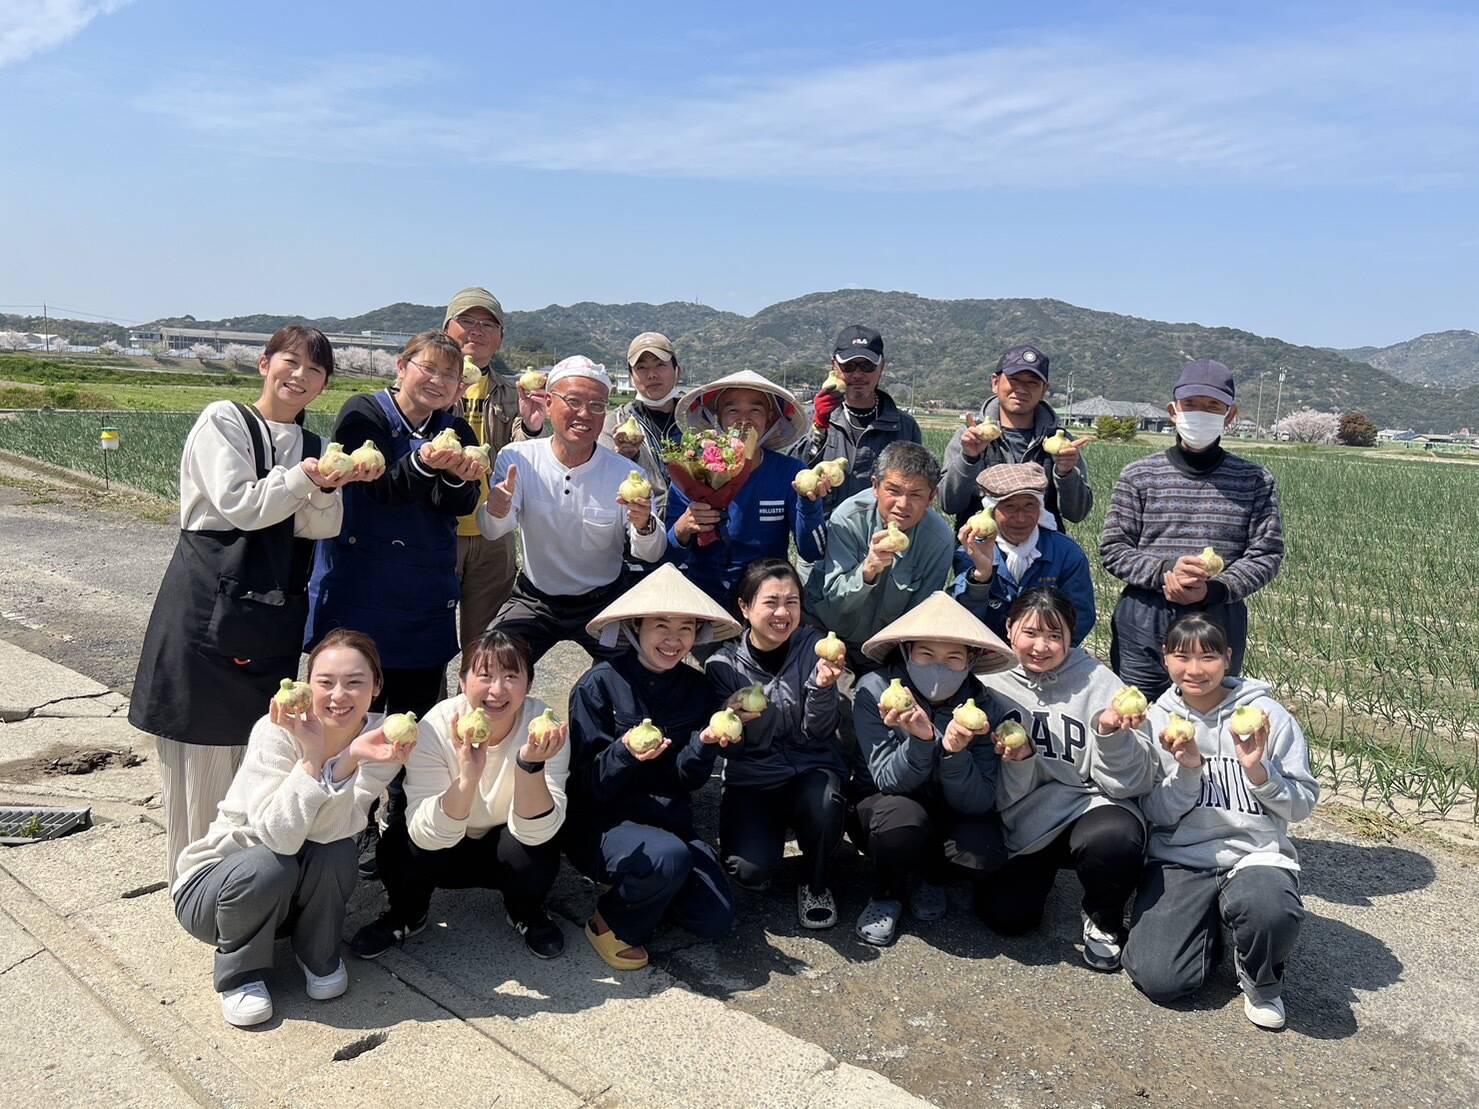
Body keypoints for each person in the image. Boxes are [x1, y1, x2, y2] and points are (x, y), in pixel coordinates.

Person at [131, 325, 362, 886]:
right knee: (199, 761)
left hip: (270, 612)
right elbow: (241, 507)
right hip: (207, 603)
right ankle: (192, 887)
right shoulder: (224, 420)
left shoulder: (312, 443)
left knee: (261, 750)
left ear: (324, 384)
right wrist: (308, 478)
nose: (299, 376)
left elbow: (320, 524)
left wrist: (328, 484)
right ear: (264, 363)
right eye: (290, 362)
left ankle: (247, 884)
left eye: (315, 370)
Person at [172, 630, 411, 1027]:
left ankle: (317, 953)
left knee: (337, 852)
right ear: (306, 683)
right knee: (271, 864)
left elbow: (338, 831)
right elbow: (277, 835)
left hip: (288, 894)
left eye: (355, 683)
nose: (339, 696)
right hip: (218, 889)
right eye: (326, 682)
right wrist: (316, 757)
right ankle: (241, 975)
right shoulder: (276, 729)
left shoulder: (383, 740)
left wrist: (350, 758)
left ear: (376, 688)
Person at [1121, 613, 1319, 1030]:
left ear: (1228, 658)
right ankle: (1208, 926)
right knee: (1160, 978)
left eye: (1208, 657)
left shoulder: (1268, 717)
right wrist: (1189, 770)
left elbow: (1301, 805)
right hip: (1180, 857)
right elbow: (1153, 811)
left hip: (1253, 855)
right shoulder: (1158, 720)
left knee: (1270, 907)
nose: (1195, 670)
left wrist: (1259, 773)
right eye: (1182, 656)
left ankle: (1260, 977)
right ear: (1165, 659)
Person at [350, 630, 571, 962]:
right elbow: (426, 834)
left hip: (507, 844)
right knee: (399, 847)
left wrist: (530, 765)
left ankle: (525, 911)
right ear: (463, 681)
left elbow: (537, 831)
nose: (497, 690)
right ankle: (406, 915)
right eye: (485, 676)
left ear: (528, 684)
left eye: (511, 676)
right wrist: (468, 776)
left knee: (539, 849)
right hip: (443, 845)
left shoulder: (545, 729)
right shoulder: (435, 727)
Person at [564, 565, 741, 971]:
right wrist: (623, 753)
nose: (673, 639)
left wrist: (703, 744)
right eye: (661, 625)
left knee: (714, 918)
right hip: (602, 827)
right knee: (669, 858)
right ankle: (610, 921)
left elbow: (687, 780)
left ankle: (652, 885)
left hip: (667, 825)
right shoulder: (598, 685)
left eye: (685, 628)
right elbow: (582, 786)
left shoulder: (697, 689)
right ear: (635, 627)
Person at [974, 589, 1157, 971]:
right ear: (1009, 629)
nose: (1042, 646)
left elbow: (1133, 784)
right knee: (1008, 919)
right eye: (1031, 633)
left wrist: (1110, 735)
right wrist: (1021, 761)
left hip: (1091, 804)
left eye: (1054, 636)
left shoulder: (1101, 684)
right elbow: (992, 790)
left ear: (1072, 638)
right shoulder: (988, 683)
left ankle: (1103, 915)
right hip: (1022, 816)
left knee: (1114, 839)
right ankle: (1039, 878)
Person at [304, 330, 483, 718]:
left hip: (424, 591)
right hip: (359, 583)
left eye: (449, 376)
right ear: (402, 367)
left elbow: (458, 503)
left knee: (412, 720)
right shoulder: (363, 413)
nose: (437, 381)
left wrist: (455, 474)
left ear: (458, 387)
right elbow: (379, 487)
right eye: (428, 368)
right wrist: (426, 463)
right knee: (343, 711)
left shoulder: (456, 430)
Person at [1099, 359, 1284, 701]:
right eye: (1192, 405)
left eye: (1213, 406)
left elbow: (1266, 554)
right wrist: (1165, 571)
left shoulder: (1255, 480)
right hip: (1146, 616)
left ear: (1230, 415)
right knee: (1138, 713)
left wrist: (1213, 590)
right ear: (1174, 410)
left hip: (1217, 616)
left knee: (1210, 720)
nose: (1201, 413)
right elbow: (1113, 547)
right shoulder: (1139, 475)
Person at [849, 591, 1016, 946]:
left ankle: (931, 874)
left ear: (971, 660)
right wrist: (922, 742)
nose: (938, 666)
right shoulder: (875, 691)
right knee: (901, 818)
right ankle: (886, 894)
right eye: (926, 654)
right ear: (907, 651)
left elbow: (980, 800)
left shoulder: (986, 710)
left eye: (953, 657)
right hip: (886, 807)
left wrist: (955, 754)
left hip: (949, 809)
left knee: (985, 851)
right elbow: (888, 779)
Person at [480, 355, 665, 663]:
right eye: (574, 401)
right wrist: (496, 508)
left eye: (596, 406)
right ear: (549, 403)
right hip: (535, 598)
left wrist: (645, 523)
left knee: (634, 680)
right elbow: (492, 529)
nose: (584, 413)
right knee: (488, 666)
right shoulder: (518, 459)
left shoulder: (626, 474)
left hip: (603, 601)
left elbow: (651, 552)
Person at [705, 559, 849, 929]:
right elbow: (730, 751)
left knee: (825, 805)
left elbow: (819, 734)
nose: (783, 613)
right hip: (754, 777)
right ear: (744, 607)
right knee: (749, 871)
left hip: (810, 766)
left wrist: (823, 688)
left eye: (792, 601)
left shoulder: (816, 648)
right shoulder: (722, 665)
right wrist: (733, 720)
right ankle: (770, 828)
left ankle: (815, 882)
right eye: (771, 602)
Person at [665, 369, 827, 608]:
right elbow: (668, 554)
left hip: (767, 607)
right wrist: (682, 528)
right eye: (732, 410)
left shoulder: (791, 473)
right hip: (705, 602)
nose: (744, 420)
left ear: (769, 419)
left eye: (755, 410)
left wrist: (809, 504)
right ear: (716, 417)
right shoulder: (692, 471)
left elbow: (813, 552)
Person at [444, 287, 548, 650]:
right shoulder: (428, 389)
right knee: (431, 637)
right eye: (467, 321)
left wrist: (533, 426)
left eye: (488, 324)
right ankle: (434, 708)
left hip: (493, 531)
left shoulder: (509, 392)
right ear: (447, 330)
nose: (477, 330)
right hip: (437, 529)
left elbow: (519, 452)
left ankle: (479, 707)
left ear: (500, 338)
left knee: (485, 641)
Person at [801, 441, 955, 672]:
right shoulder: (849, 518)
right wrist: (867, 571)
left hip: (883, 650)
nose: (903, 505)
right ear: (875, 486)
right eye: (893, 491)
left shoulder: (939, 541)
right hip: (826, 631)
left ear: (931, 497)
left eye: (916, 495)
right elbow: (833, 601)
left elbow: (918, 616)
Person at [939, 344, 1091, 532]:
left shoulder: (1063, 444)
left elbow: (1077, 514)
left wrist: (1066, 473)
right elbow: (949, 504)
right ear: (995, 382)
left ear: (1044, 389)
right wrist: (969, 459)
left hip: (1045, 552)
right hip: (980, 548)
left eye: (1032, 383)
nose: (1021, 389)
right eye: (1014, 380)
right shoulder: (970, 436)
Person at [953, 463, 1096, 646]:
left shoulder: (1067, 554)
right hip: (985, 656)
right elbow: (962, 616)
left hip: (1046, 655)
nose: (1021, 517)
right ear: (992, 510)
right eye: (1010, 507)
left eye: (1029, 505)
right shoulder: (971, 552)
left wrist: (1045, 651)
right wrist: (981, 575)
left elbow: (1080, 616)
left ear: (1040, 508)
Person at [793, 325, 922, 514]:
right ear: (833, 366)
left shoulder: (905, 426)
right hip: (824, 532)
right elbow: (795, 474)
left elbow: (917, 485)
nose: (858, 374)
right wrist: (819, 426)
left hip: (881, 535)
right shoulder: (812, 417)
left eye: (867, 366)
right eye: (849, 366)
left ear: (881, 367)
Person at [600, 331, 685, 518]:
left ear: (678, 370)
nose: (652, 375)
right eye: (641, 367)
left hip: (695, 530)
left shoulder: (697, 418)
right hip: (639, 532)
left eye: (660, 365)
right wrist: (625, 458)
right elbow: (603, 481)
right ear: (631, 376)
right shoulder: (615, 423)